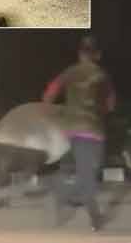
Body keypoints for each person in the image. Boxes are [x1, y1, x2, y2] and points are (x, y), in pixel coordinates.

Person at [41, 36, 116, 231]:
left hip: (75, 129)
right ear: (97, 55)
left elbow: (49, 93)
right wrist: (99, 109)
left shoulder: (70, 72)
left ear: (80, 54)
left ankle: (66, 193)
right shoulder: (102, 75)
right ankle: (94, 215)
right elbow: (110, 104)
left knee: (87, 173)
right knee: (90, 172)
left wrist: (52, 111)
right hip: (93, 130)